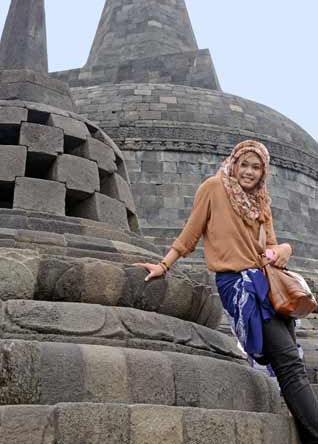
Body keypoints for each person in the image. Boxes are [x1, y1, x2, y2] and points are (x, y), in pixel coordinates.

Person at [134, 140, 318, 443]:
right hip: (239, 286)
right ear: (233, 163)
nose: (248, 172)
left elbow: (270, 245)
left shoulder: (261, 202)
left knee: (291, 364)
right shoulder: (213, 188)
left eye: (256, 167)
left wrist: (284, 248)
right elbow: (190, 234)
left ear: (263, 172)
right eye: (244, 164)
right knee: (288, 361)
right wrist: (163, 266)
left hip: (269, 285)